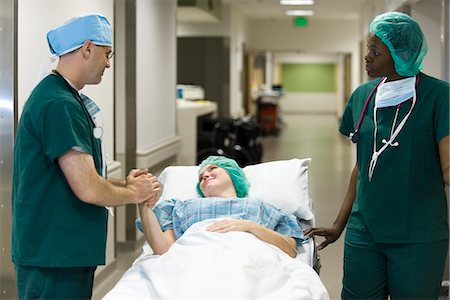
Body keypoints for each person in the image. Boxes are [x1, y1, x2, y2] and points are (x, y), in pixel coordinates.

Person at [12, 14, 160, 299]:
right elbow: (88, 187)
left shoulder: (62, 96)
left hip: (61, 252)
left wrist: (123, 184)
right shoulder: (58, 104)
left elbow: (77, 175)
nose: (108, 64)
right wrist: (133, 193)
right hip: (53, 256)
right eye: (107, 54)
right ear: (88, 48)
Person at [304, 11, 449, 299]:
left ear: (400, 54)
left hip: (418, 235)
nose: (367, 57)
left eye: (375, 51)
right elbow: (362, 164)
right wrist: (339, 224)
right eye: (368, 49)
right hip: (365, 230)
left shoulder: (439, 96)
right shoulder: (362, 96)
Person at [138, 155, 304, 258]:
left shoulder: (257, 205)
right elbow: (162, 249)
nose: (205, 175)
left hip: (246, 258)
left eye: (213, 169)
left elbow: (290, 249)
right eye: (201, 177)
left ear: (233, 174)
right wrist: (144, 206)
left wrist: (249, 226)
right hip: (196, 258)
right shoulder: (185, 207)